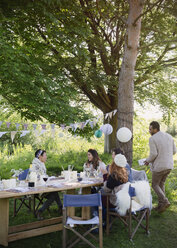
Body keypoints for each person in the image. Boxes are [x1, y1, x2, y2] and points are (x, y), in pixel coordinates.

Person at [144, 121, 176, 213]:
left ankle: (165, 201)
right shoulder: (169, 136)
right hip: (169, 165)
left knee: (154, 184)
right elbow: (174, 151)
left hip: (159, 166)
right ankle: (161, 206)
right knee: (161, 184)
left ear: (155, 129)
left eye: (150, 129)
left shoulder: (153, 139)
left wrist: (147, 161)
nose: (149, 131)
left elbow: (154, 154)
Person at [31, 149, 62, 220]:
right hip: (37, 188)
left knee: (55, 191)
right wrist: (48, 179)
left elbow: (44, 176)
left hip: (44, 185)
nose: (46, 157)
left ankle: (61, 208)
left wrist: (50, 179)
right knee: (54, 194)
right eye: (45, 155)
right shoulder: (34, 165)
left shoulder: (41, 164)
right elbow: (37, 178)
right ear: (40, 157)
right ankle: (40, 211)